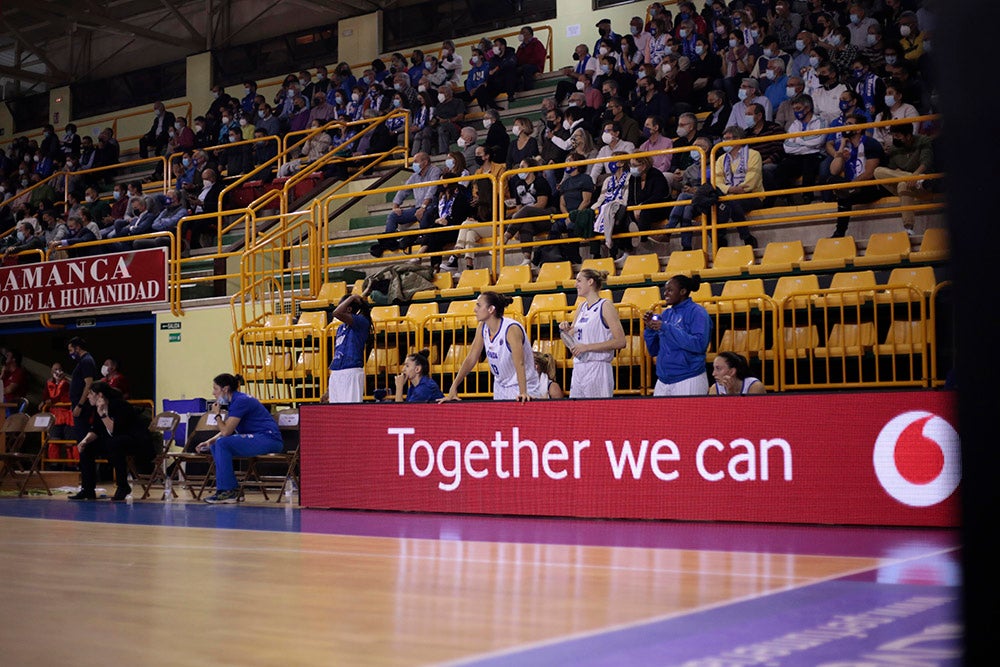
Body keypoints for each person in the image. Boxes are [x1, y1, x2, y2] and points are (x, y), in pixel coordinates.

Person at [195, 373, 284, 504]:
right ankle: (229, 490)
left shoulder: (241, 401)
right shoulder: (236, 401)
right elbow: (228, 429)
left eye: (215, 389)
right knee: (216, 445)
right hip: (257, 438)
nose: (213, 393)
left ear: (225, 389)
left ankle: (228, 491)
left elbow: (226, 432)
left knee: (222, 443)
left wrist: (217, 415)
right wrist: (210, 441)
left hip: (269, 439)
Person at [440, 292, 541, 402]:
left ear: (491, 309)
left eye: (478, 305)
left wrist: (523, 392)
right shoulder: (483, 327)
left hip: (523, 385)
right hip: (501, 386)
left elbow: (520, 363)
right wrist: (453, 386)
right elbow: (471, 358)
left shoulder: (511, 329)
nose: (475, 309)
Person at [68, 382, 147, 501]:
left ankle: (123, 486)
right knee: (87, 447)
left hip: (134, 441)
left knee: (114, 443)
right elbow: (95, 429)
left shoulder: (120, 406)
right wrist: (84, 441)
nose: (88, 396)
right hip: (114, 441)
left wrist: (103, 415)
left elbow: (115, 430)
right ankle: (87, 490)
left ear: (99, 395)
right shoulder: (96, 408)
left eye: (90, 393)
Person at [559, 269, 626, 398]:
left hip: (598, 367)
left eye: (579, 281)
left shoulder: (605, 306)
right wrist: (565, 330)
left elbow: (620, 341)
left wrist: (587, 347)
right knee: (578, 413)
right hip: (579, 367)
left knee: (598, 414)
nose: (575, 284)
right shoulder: (581, 307)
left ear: (590, 282)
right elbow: (571, 338)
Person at [643, 275, 711, 396]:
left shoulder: (698, 312)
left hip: (690, 377)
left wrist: (666, 328)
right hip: (663, 380)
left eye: (670, 290)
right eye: (665, 290)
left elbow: (699, 344)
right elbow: (653, 350)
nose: (665, 293)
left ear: (683, 291)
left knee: (689, 415)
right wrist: (649, 329)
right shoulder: (666, 314)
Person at [828, 114, 885, 238]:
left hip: (871, 187)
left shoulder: (870, 143)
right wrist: (842, 146)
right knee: (833, 180)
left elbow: (870, 173)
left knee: (844, 196)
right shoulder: (847, 147)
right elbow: (834, 170)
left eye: (849, 124)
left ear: (859, 129)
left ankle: (839, 233)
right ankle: (839, 233)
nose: (845, 126)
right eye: (845, 124)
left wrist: (850, 185)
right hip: (852, 188)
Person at [873, 122, 933, 236]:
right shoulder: (894, 149)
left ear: (908, 136)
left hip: (924, 186)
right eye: (893, 136)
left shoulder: (923, 141)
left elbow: (926, 162)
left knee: (902, 185)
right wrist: (913, 178)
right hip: (913, 181)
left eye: (898, 136)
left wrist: (916, 174)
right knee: (878, 171)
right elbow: (891, 171)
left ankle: (908, 228)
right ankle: (919, 180)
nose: (895, 139)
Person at [327, 293, 373, 403]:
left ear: (348, 309)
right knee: (336, 415)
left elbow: (336, 313)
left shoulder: (361, 322)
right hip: (336, 372)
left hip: (351, 371)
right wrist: (328, 390)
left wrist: (352, 297)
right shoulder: (340, 328)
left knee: (351, 413)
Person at [66, 337, 98, 442]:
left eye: (71, 350)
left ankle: (85, 458)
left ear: (78, 348)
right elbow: (79, 384)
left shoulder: (86, 361)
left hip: (83, 408)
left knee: (83, 438)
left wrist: (80, 405)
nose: (70, 353)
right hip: (79, 405)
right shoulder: (82, 362)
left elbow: (88, 384)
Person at [39, 362, 74, 458]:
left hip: (67, 416)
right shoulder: (49, 382)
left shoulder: (67, 383)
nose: (57, 371)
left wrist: (50, 401)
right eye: (55, 369)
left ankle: (72, 465)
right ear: (51, 371)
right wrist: (44, 401)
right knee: (54, 441)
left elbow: (61, 397)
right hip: (54, 417)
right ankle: (54, 464)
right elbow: (45, 396)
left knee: (70, 442)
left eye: (59, 369)